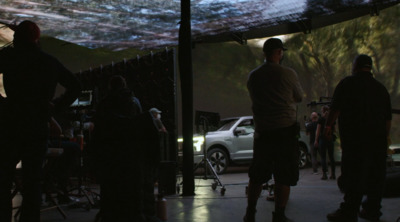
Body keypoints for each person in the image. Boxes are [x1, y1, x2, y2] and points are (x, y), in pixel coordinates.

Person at [0, 20, 81, 222]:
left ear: (17, 38)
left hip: (10, 125)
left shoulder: (8, 57)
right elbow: (75, 86)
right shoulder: (48, 62)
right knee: (33, 184)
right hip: (37, 126)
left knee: (3, 181)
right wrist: (55, 107)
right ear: (36, 38)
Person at [324, 54, 392, 222]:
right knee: (376, 177)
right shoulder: (381, 88)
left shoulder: (347, 83)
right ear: (370, 68)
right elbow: (387, 119)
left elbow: (334, 109)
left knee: (354, 175)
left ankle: (349, 211)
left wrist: (327, 126)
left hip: (355, 141)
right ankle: (372, 210)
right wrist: (385, 137)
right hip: (377, 140)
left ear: (355, 66)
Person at [244, 38, 303, 222]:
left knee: (257, 175)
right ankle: (279, 215)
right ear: (279, 52)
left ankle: (250, 213)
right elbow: (299, 97)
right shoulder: (288, 74)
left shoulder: (254, 76)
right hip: (285, 132)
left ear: (264, 53)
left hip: (263, 133)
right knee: (283, 176)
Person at [92, 75, 160, 222]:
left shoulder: (103, 105)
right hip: (133, 160)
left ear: (110, 87)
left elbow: (98, 135)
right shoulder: (134, 102)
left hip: (110, 160)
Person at [314, 105, 336, 180]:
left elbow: (318, 130)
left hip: (322, 139)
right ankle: (333, 174)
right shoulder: (332, 119)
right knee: (331, 157)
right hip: (330, 139)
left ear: (323, 111)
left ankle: (324, 174)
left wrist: (316, 140)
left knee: (323, 157)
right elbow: (335, 130)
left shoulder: (321, 119)